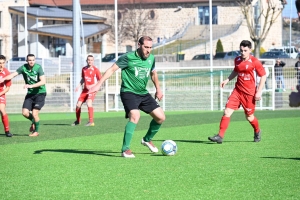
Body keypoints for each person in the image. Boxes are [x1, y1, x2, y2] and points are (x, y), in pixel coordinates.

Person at [88, 36, 165, 158]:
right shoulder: (128, 57)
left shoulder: (151, 58)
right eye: (146, 47)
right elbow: (112, 69)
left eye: (150, 47)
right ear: (139, 45)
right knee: (135, 115)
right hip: (128, 92)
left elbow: (153, 73)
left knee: (160, 117)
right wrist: (98, 84)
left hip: (143, 93)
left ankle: (147, 139)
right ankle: (125, 149)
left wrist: (158, 90)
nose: (148, 50)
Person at [208, 40, 266, 144]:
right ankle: (220, 136)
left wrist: (259, 91)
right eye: (241, 50)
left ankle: (257, 131)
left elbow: (263, 76)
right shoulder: (237, 60)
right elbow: (236, 70)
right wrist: (227, 79)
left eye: (245, 50)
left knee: (249, 117)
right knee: (227, 111)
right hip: (237, 91)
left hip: (249, 94)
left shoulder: (255, 62)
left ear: (250, 50)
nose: (242, 52)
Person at [0, 54, 46, 137]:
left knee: (35, 113)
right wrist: (3, 78)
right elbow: (13, 75)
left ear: (34, 60)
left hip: (40, 93)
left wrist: (31, 86)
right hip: (30, 94)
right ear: (27, 61)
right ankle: (33, 121)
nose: (31, 62)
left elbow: (43, 81)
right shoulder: (23, 68)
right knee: (25, 113)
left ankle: (36, 131)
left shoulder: (38, 68)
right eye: (29, 60)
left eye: (33, 60)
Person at [71, 55, 101, 126]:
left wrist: (93, 86)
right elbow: (83, 79)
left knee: (89, 102)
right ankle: (78, 121)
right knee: (78, 105)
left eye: (91, 60)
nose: (90, 61)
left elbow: (100, 80)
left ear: (93, 61)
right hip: (85, 90)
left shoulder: (96, 70)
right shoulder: (84, 69)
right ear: (86, 61)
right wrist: (78, 86)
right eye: (88, 60)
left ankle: (91, 121)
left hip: (92, 90)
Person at [0, 55, 13, 137]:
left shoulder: (6, 73)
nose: (1, 65)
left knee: (2, 109)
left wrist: (0, 94)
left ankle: (7, 131)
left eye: (3, 63)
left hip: (1, 94)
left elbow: (7, 88)